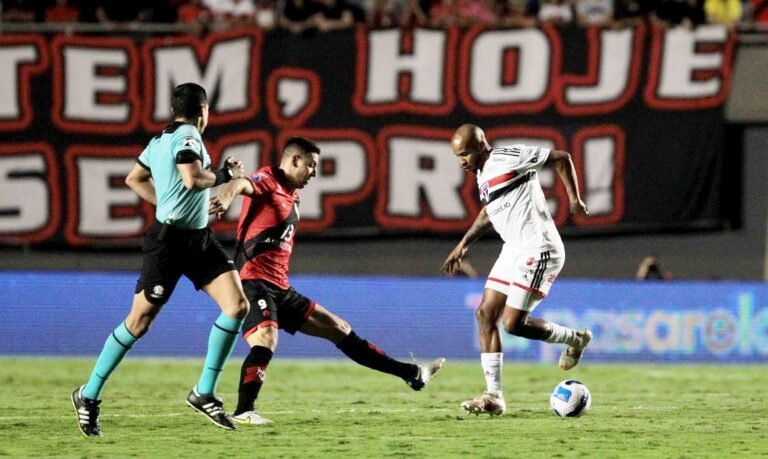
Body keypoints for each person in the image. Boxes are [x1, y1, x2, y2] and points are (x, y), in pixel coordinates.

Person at [209, 136, 446, 425]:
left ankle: (412, 374)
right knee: (266, 339)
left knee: (340, 328)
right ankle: (244, 411)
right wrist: (226, 194)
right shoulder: (268, 179)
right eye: (311, 165)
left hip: (280, 288)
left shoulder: (292, 193)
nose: (314, 173)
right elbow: (242, 183)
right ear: (294, 160)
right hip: (252, 282)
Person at [70, 83, 250, 437]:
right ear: (204, 111)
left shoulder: (158, 141)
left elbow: (133, 178)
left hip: (198, 239)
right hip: (168, 245)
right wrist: (227, 176)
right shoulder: (188, 137)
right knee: (139, 323)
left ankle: (204, 392)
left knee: (237, 305)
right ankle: (87, 395)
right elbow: (193, 178)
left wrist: (165, 202)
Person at [441, 124, 592, 416]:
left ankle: (576, 339)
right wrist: (463, 245)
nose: (462, 162)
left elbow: (561, 158)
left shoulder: (508, 156)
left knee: (513, 324)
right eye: (458, 157)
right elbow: (489, 212)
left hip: (539, 249)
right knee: (485, 314)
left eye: (465, 155)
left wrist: (574, 198)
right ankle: (493, 396)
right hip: (513, 249)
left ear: (482, 145)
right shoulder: (483, 175)